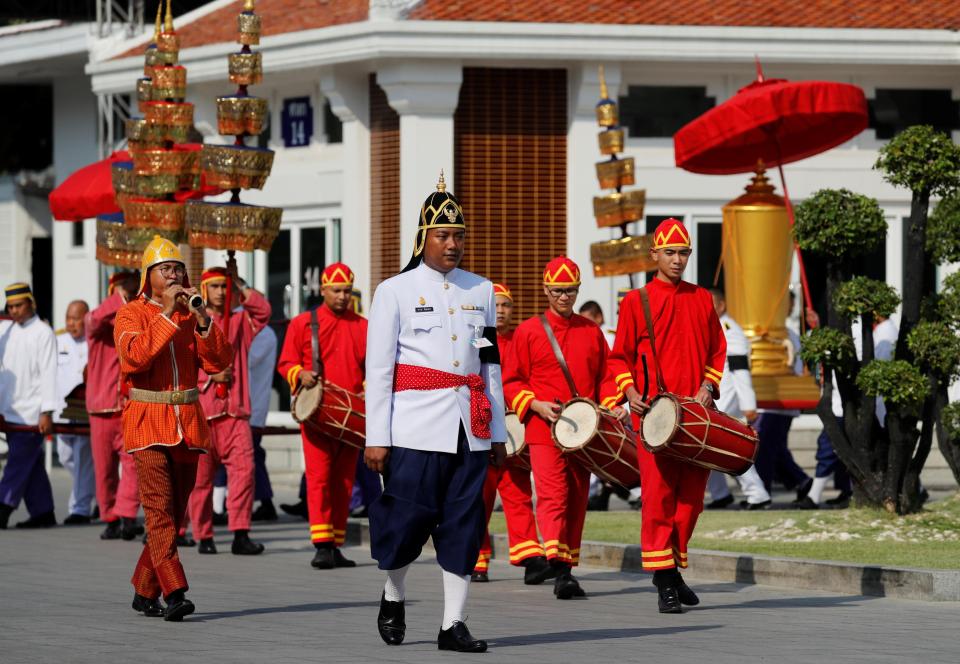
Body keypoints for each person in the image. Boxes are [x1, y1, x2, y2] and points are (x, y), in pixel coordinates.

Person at [365, 173, 507, 653]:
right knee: (405, 524)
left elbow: (489, 365)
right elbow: (380, 371)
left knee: (465, 523)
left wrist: (500, 430)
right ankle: (393, 592)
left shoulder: (481, 291)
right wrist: (375, 437)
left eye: (459, 236)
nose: (453, 245)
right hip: (414, 428)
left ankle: (452, 624)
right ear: (423, 238)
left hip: (471, 427)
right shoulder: (395, 291)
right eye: (443, 236)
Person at [608, 218, 726, 613]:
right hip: (654, 416)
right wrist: (629, 391)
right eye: (671, 253)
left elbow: (717, 351)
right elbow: (619, 356)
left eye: (684, 253)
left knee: (691, 501)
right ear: (654, 254)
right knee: (659, 498)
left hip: (695, 416)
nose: (678, 260)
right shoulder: (635, 301)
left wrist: (708, 387)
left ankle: (671, 571)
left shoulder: (702, 299)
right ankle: (665, 582)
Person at [115, 236, 231, 621]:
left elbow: (219, 362)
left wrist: (201, 320)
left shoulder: (189, 315)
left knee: (173, 514)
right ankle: (175, 589)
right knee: (160, 513)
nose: (175, 275)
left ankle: (144, 589)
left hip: (188, 424)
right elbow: (134, 358)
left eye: (178, 268)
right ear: (149, 277)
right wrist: (166, 314)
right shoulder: (131, 313)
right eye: (167, 269)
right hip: (147, 423)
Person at [503, 257, 624, 600]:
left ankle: (566, 566)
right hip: (543, 429)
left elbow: (606, 375)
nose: (564, 297)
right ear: (545, 290)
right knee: (553, 495)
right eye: (557, 291)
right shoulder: (528, 331)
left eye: (570, 290)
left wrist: (612, 402)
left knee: (576, 498)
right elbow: (511, 381)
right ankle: (559, 567)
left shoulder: (591, 330)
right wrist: (536, 404)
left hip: (584, 433)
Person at [277, 262, 367, 569]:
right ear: (323, 290)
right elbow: (285, 363)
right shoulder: (302, 323)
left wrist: (368, 390)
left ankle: (336, 543)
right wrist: (298, 373)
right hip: (317, 416)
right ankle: (321, 544)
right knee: (319, 480)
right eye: (337, 291)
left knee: (344, 481)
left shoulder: (364, 326)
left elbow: (375, 368)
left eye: (347, 291)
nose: (343, 297)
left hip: (352, 417)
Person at [186, 264, 270, 555]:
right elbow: (185, 364)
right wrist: (211, 376)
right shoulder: (191, 321)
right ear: (204, 289)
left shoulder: (241, 321)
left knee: (244, 474)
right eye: (216, 286)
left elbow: (264, 311)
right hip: (204, 412)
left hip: (236, 413)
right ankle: (204, 535)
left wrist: (240, 284)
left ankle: (240, 533)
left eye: (225, 286)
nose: (221, 292)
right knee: (201, 481)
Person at [472, 283, 551, 585]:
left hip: (515, 432)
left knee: (519, 494)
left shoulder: (521, 340)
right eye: (497, 305)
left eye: (506, 305)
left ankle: (530, 558)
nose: (501, 311)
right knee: (480, 498)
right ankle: (478, 559)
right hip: (482, 430)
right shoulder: (477, 341)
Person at [86, 271, 144, 541]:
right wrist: (120, 296)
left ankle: (127, 515)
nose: (130, 298)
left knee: (133, 464)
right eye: (125, 293)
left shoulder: (137, 324)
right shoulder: (98, 325)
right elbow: (93, 320)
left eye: (134, 293)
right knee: (104, 469)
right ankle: (110, 516)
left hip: (130, 406)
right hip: (101, 408)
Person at [704, 289, 771, 510]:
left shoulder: (729, 330)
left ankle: (757, 494)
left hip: (727, 398)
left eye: (710, 304)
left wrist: (748, 404)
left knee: (730, 449)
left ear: (721, 306)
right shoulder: (712, 327)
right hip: (712, 398)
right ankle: (721, 494)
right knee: (707, 449)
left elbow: (740, 370)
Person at [0, 283, 58, 529]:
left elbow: (49, 374)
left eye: (18, 305)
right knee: (30, 464)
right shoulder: (5, 330)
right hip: (8, 409)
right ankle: (43, 512)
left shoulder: (43, 333)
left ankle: (2, 506)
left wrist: (46, 412)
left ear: (30, 303)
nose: (14, 311)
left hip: (33, 413)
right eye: (10, 306)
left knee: (17, 462)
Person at [56, 299, 96, 524]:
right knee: (65, 456)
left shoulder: (94, 342)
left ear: (87, 318)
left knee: (83, 458)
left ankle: (79, 508)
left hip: (85, 411)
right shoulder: (57, 340)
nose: (71, 323)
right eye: (68, 318)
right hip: (62, 411)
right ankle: (97, 489)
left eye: (76, 318)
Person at [249, 321, 278, 521]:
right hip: (246, 405)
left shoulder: (264, 334)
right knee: (253, 456)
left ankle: (265, 501)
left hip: (252, 406)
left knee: (250, 456)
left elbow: (245, 359)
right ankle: (265, 501)